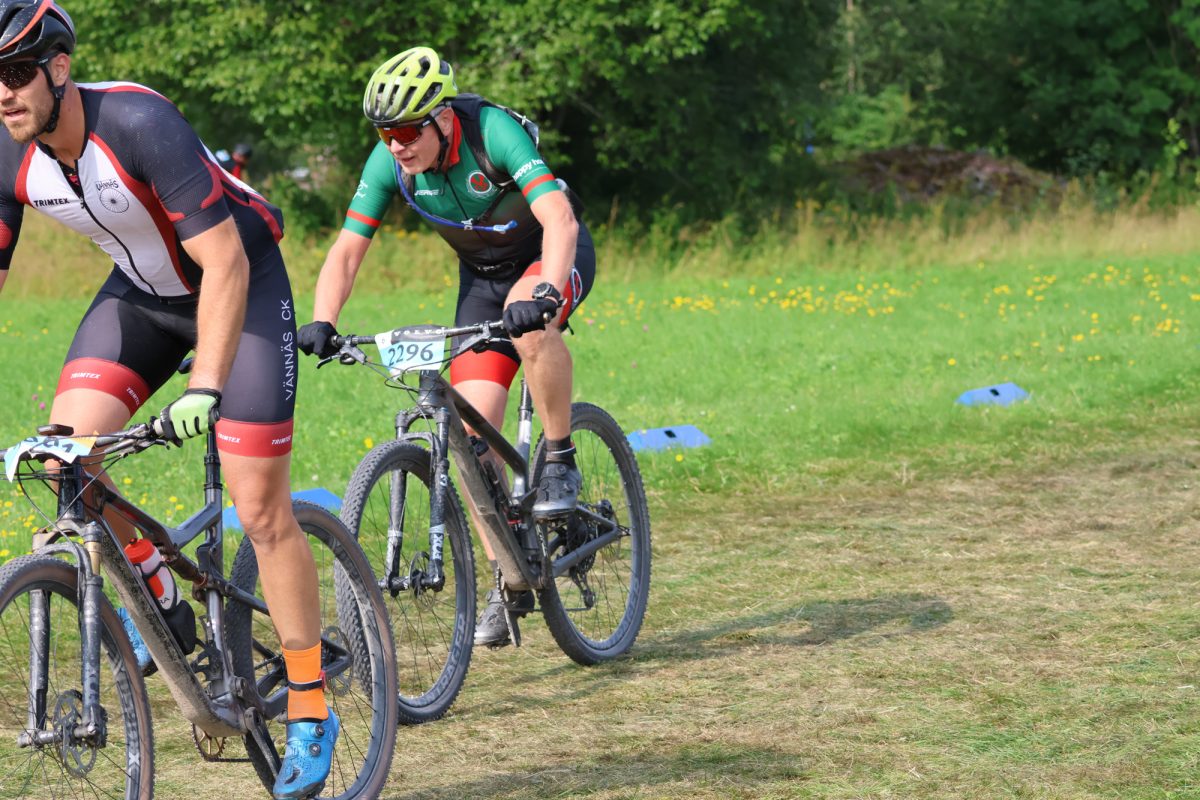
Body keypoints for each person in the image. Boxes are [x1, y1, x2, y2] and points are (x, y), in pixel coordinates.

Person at [0, 3, 334, 797]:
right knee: (65, 459)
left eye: (15, 73)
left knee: (259, 506)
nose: (3, 94)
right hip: (142, 299)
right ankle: (159, 588)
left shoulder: (140, 122)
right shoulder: (4, 149)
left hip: (240, 286)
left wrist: (205, 384)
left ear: (59, 69)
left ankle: (311, 705)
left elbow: (225, 263)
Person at [297, 46, 595, 648]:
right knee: (470, 442)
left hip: (547, 258)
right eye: (385, 133)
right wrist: (323, 320)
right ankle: (508, 577)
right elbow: (348, 249)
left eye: (407, 131)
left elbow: (559, 219)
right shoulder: (391, 162)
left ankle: (560, 458)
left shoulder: (493, 132)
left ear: (442, 118)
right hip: (483, 282)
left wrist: (545, 290)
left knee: (532, 329)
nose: (396, 146)